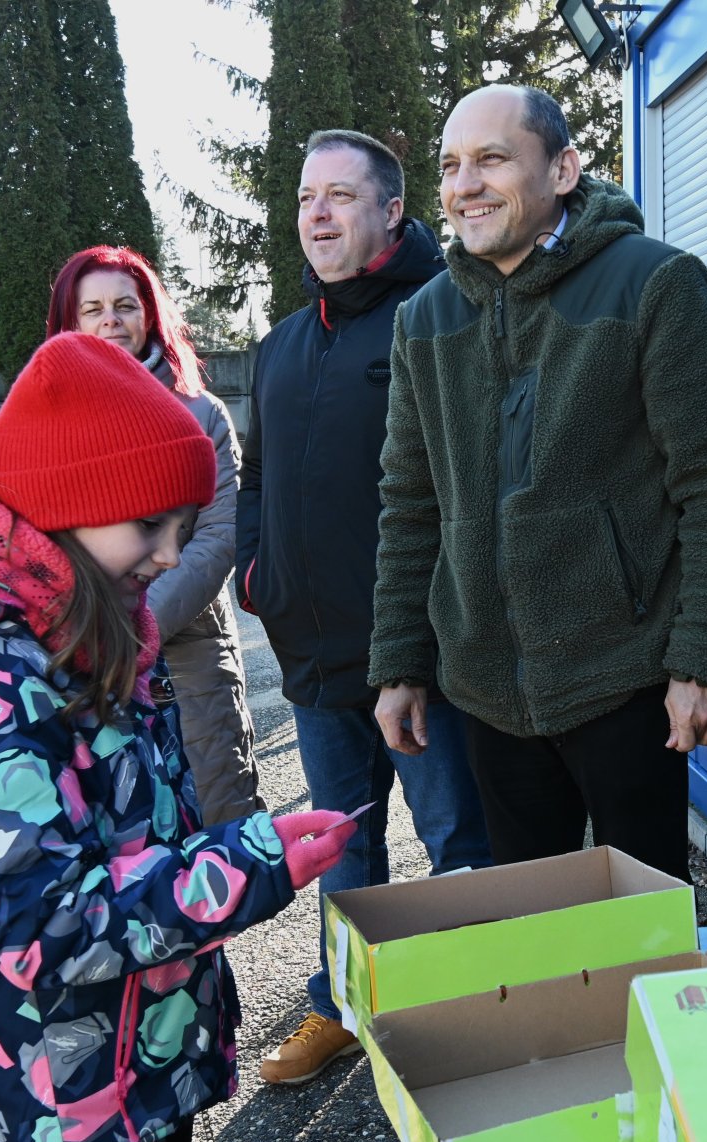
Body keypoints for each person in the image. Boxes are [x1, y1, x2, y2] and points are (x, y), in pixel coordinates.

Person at [0, 331, 360, 1142]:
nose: (170, 554)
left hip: (135, 1048)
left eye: (182, 525)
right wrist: (246, 867)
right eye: (149, 527)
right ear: (71, 508)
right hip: (77, 1080)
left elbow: (132, 829)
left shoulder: (85, 621)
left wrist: (236, 849)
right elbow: (47, 923)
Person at [369, 85, 707, 880]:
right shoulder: (424, 318)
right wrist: (400, 662)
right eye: (449, 166)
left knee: (647, 922)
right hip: (488, 691)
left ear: (562, 169)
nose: (465, 185)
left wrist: (702, 662)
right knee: (533, 921)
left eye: (491, 159)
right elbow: (410, 505)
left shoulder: (655, 283)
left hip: (625, 679)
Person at [235, 129, 491, 1086]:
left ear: (391, 210)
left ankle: (478, 1010)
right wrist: (257, 576)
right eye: (307, 198)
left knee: (458, 841)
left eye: (340, 196)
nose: (318, 214)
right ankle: (343, 1004)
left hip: (422, 661)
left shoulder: (441, 316)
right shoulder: (281, 345)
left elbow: (465, 487)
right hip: (314, 659)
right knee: (341, 845)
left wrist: (422, 642)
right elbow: (255, 478)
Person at [47, 245, 262, 825]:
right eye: (92, 309)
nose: (110, 321)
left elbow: (218, 536)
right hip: (79, 645)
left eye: (125, 305)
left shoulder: (201, 413)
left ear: (150, 313)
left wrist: (134, 629)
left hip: (186, 648)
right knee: (111, 827)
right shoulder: (47, 417)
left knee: (215, 820)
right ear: (70, 320)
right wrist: (86, 631)